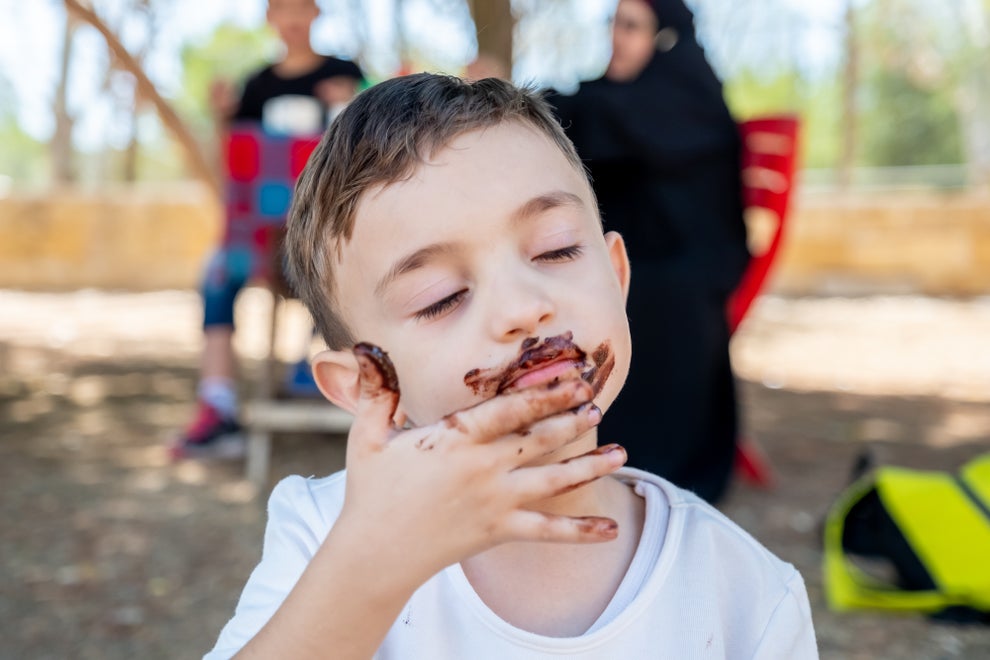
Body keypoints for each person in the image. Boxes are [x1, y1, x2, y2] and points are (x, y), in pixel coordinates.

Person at [204, 73, 816, 658]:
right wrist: (371, 565)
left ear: (617, 277)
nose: (523, 310)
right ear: (368, 389)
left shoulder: (744, 595)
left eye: (556, 249)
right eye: (439, 297)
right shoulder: (323, 537)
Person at [546, 0, 751, 504]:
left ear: (665, 38)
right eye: (615, 23)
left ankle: (642, 459)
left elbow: (598, 117)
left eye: (632, 27)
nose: (617, 37)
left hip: (686, 263)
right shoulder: (625, 99)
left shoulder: (682, 96)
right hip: (650, 249)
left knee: (617, 284)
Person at [171, 0, 364, 459]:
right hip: (265, 242)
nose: (294, 19)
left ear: (316, 14)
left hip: (335, 234)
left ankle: (320, 360)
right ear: (271, 19)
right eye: (284, 9)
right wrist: (221, 115)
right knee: (216, 271)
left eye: (302, 8)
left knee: (348, 263)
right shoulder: (257, 85)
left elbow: (371, 141)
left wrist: (351, 102)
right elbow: (237, 162)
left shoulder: (346, 71)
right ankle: (217, 407)